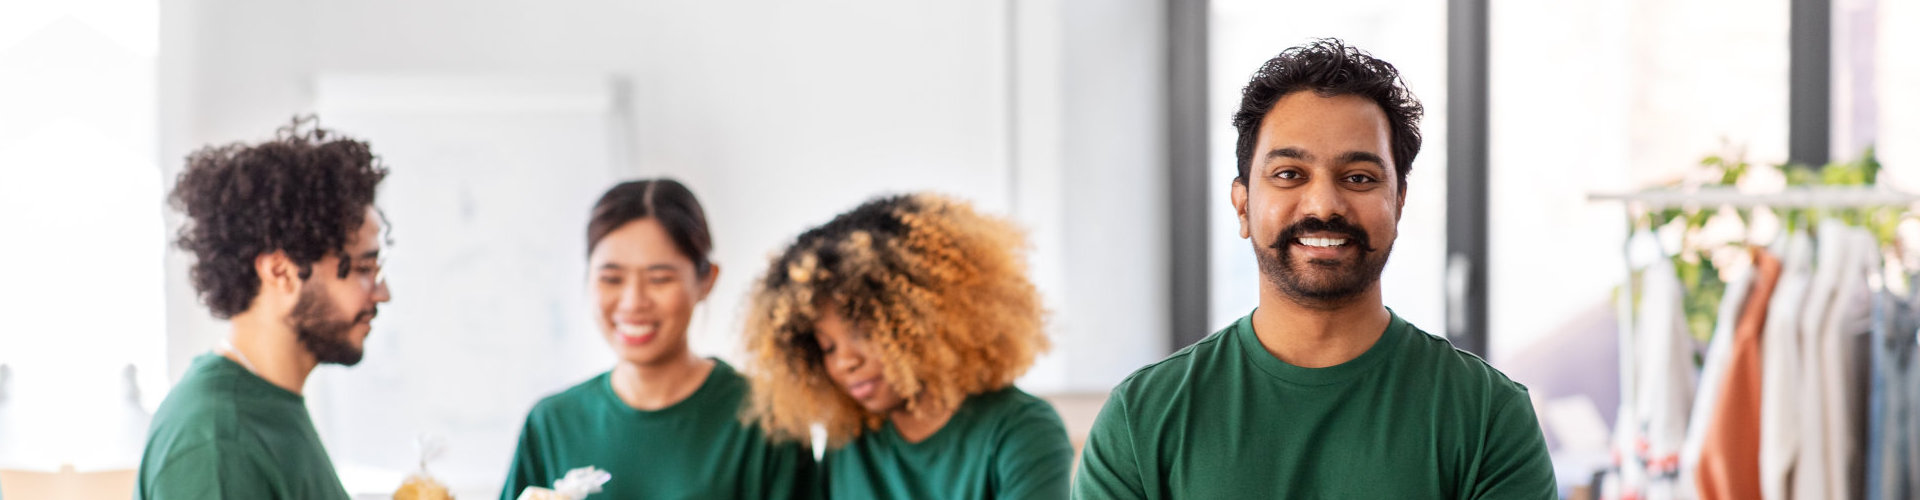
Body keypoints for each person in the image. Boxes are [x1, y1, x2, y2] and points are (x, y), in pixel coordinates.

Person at [1071, 38, 1556, 499]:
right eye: (1289, 174)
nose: (1324, 204)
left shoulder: (1488, 415)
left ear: (1398, 204)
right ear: (1242, 206)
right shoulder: (1143, 417)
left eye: (1359, 177)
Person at [743, 193, 1074, 499]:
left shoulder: (1021, 430)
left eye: (864, 333)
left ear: (927, 319)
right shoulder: (848, 438)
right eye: (827, 347)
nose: (846, 361)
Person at [501, 179, 815, 499]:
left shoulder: (769, 417)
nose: (633, 301)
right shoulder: (552, 424)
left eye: (659, 279)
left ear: (706, 280)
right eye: (611, 278)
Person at [137, 117, 392, 499]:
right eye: (362, 270)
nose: (382, 293)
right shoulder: (219, 443)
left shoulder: (271, 406)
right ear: (281, 272)